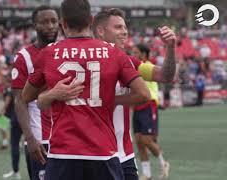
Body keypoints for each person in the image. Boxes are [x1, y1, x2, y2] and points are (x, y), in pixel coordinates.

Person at [36, 8, 177, 180]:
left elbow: (165, 75)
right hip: (83, 153)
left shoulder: (128, 61)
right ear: (100, 31)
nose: (124, 32)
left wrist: (170, 48)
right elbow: (39, 99)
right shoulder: (70, 56)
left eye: (125, 27)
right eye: (118, 27)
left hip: (121, 154)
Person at [10, 5, 59, 180]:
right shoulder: (24, 57)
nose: (50, 26)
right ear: (35, 25)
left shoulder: (66, 51)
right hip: (40, 140)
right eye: (44, 22)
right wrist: (30, 138)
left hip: (68, 137)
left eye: (54, 21)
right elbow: (19, 100)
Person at [132, 44, 170, 180]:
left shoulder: (147, 67)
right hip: (137, 107)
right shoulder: (135, 67)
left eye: (136, 52)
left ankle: (163, 162)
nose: (133, 54)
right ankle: (147, 174)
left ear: (144, 54)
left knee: (146, 139)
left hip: (148, 105)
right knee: (138, 141)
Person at [1, 76, 22, 179]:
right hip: (27, 116)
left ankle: (16, 171)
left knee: (14, 145)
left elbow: (7, 102)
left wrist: (2, 111)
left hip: (17, 117)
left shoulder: (11, 89)